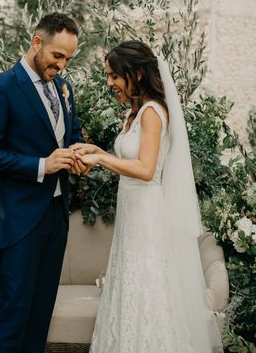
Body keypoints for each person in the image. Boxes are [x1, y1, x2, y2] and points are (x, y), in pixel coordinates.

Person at [72, 41, 223, 352]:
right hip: (132, 213)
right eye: (108, 76)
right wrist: (96, 151)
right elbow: (130, 161)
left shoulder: (153, 112)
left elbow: (145, 169)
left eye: (115, 76)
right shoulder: (134, 113)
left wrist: (100, 160)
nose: (110, 83)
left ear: (136, 74)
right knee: (130, 286)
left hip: (147, 215)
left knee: (148, 287)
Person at [0, 12, 89, 353]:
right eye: (57, 56)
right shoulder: (1, 86)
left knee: (41, 313)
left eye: (69, 58)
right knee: (14, 313)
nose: (62, 65)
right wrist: (42, 164)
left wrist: (78, 154)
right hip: (20, 218)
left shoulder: (64, 88)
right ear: (37, 42)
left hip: (56, 214)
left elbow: (70, 133)